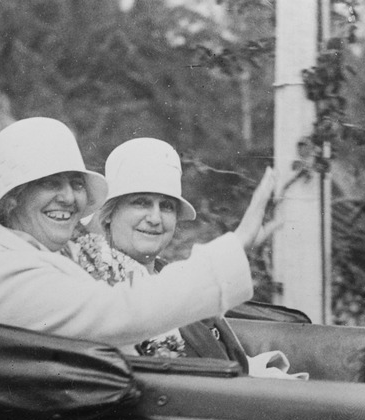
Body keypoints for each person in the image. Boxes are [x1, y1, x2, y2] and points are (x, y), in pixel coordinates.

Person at [0, 117, 274, 348]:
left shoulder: (33, 256)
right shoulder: (8, 274)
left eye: (76, 183)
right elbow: (124, 311)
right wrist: (235, 247)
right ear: (12, 199)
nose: (69, 198)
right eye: (50, 183)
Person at [66, 137, 305, 379]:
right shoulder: (99, 282)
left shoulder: (168, 274)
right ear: (109, 213)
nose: (155, 218)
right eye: (141, 203)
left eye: (166, 206)